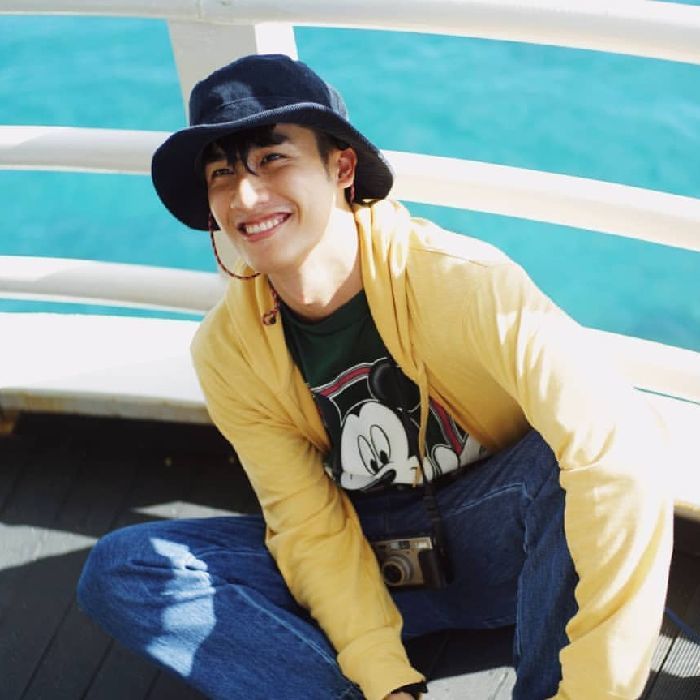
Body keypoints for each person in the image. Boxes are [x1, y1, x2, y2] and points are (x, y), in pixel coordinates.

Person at [77, 54, 673, 700]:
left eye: (272, 159)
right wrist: (386, 680)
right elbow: (311, 527)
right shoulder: (227, 350)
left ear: (342, 168)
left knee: (584, 452)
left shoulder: (463, 282)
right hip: (372, 562)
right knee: (127, 569)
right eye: (222, 174)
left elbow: (618, 455)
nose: (244, 196)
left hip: (506, 547)